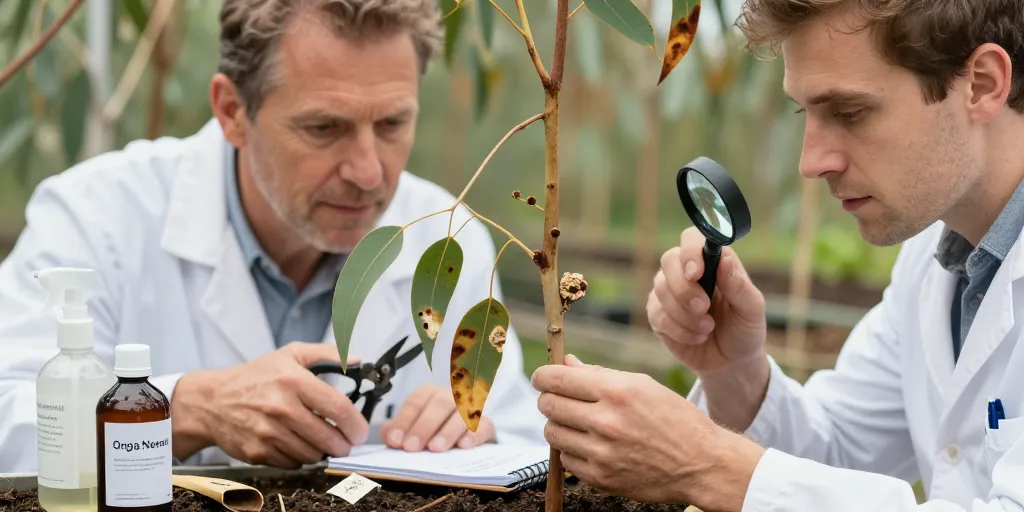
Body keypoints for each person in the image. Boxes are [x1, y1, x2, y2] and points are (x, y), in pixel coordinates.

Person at [0, 0, 545, 473]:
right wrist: (187, 409)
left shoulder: (445, 239)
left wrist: (478, 435)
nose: (368, 172)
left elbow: (527, 442)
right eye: (324, 128)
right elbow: (11, 422)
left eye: (391, 125)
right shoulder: (98, 217)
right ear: (233, 111)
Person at [532, 0, 1024, 510]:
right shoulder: (939, 260)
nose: (811, 163)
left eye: (850, 112)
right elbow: (841, 450)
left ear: (983, 83)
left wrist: (705, 464)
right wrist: (736, 373)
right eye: (805, 113)